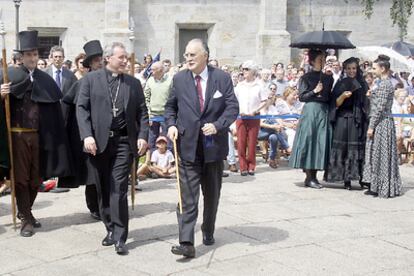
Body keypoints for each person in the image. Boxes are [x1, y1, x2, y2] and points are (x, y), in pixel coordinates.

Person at [165, 39, 238, 258]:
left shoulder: (222, 78)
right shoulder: (179, 79)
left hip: (213, 148)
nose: (187, 59)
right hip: (187, 147)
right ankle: (186, 241)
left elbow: (232, 107)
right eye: (186, 55)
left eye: (192, 55)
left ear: (205, 55)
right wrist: (171, 125)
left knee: (212, 194)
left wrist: (217, 126)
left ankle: (208, 228)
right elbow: (171, 107)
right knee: (187, 196)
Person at [77, 42, 149, 254]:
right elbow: (81, 109)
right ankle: (109, 227)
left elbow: (143, 113)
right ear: (108, 58)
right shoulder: (90, 80)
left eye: (126, 57)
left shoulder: (133, 83)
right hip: (98, 144)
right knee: (103, 188)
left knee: (119, 188)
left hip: (124, 143)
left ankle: (120, 235)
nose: (126, 60)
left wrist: (143, 136)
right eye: (122, 57)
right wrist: (87, 135)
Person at [0, 30, 72, 237]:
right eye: (28, 55)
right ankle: (25, 218)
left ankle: (28, 212)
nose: (32, 58)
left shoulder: (45, 79)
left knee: (35, 179)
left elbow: (54, 111)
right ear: (21, 57)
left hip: (40, 137)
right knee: (21, 179)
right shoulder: (8, 75)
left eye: (35, 54)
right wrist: (1, 94)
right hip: (17, 135)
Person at [59, 40, 105, 220]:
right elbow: (70, 105)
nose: (100, 62)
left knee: (107, 174)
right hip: (89, 135)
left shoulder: (113, 80)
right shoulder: (83, 82)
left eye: (102, 59)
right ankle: (95, 207)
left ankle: (107, 205)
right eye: (95, 60)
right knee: (92, 175)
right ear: (90, 64)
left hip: (108, 134)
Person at [289, 49, 334, 189]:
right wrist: (315, 91)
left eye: (324, 59)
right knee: (310, 141)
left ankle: (315, 174)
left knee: (320, 143)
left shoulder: (328, 78)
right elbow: (302, 97)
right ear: (313, 61)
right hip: (311, 111)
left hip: (323, 111)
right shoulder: (306, 78)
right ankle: (309, 176)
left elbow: (329, 96)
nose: (323, 62)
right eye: (320, 59)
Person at [325, 57, 369, 190]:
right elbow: (335, 104)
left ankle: (362, 178)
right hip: (343, 119)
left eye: (354, 68)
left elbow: (366, 104)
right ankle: (346, 180)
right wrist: (343, 96)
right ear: (345, 69)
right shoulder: (341, 83)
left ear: (357, 69)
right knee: (343, 149)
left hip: (358, 120)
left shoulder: (362, 83)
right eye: (348, 68)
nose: (351, 71)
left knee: (358, 149)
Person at [362, 55, 402, 198]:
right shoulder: (381, 83)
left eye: (375, 68)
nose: (373, 71)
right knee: (376, 155)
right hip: (382, 121)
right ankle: (376, 184)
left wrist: (371, 126)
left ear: (383, 68)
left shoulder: (385, 84)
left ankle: (382, 186)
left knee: (380, 155)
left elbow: (380, 108)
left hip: (382, 123)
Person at [235, 60, 268, 176]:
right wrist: (239, 111)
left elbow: (265, 101)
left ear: (253, 71)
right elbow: (234, 101)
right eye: (243, 69)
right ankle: (243, 166)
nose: (244, 72)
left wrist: (256, 110)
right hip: (241, 116)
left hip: (254, 116)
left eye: (247, 69)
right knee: (241, 143)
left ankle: (251, 166)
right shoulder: (239, 85)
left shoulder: (259, 85)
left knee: (252, 142)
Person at [144, 61, 173, 152]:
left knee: (167, 139)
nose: (151, 72)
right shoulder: (150, 80)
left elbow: (173, 97)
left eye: (153, 70)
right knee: (152, 139)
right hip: (153, 115)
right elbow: (146, 97)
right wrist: (148, 113)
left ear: (160, 70)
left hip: (166, 115)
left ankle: (169, 160)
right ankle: (152, 160)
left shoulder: (170, 80)